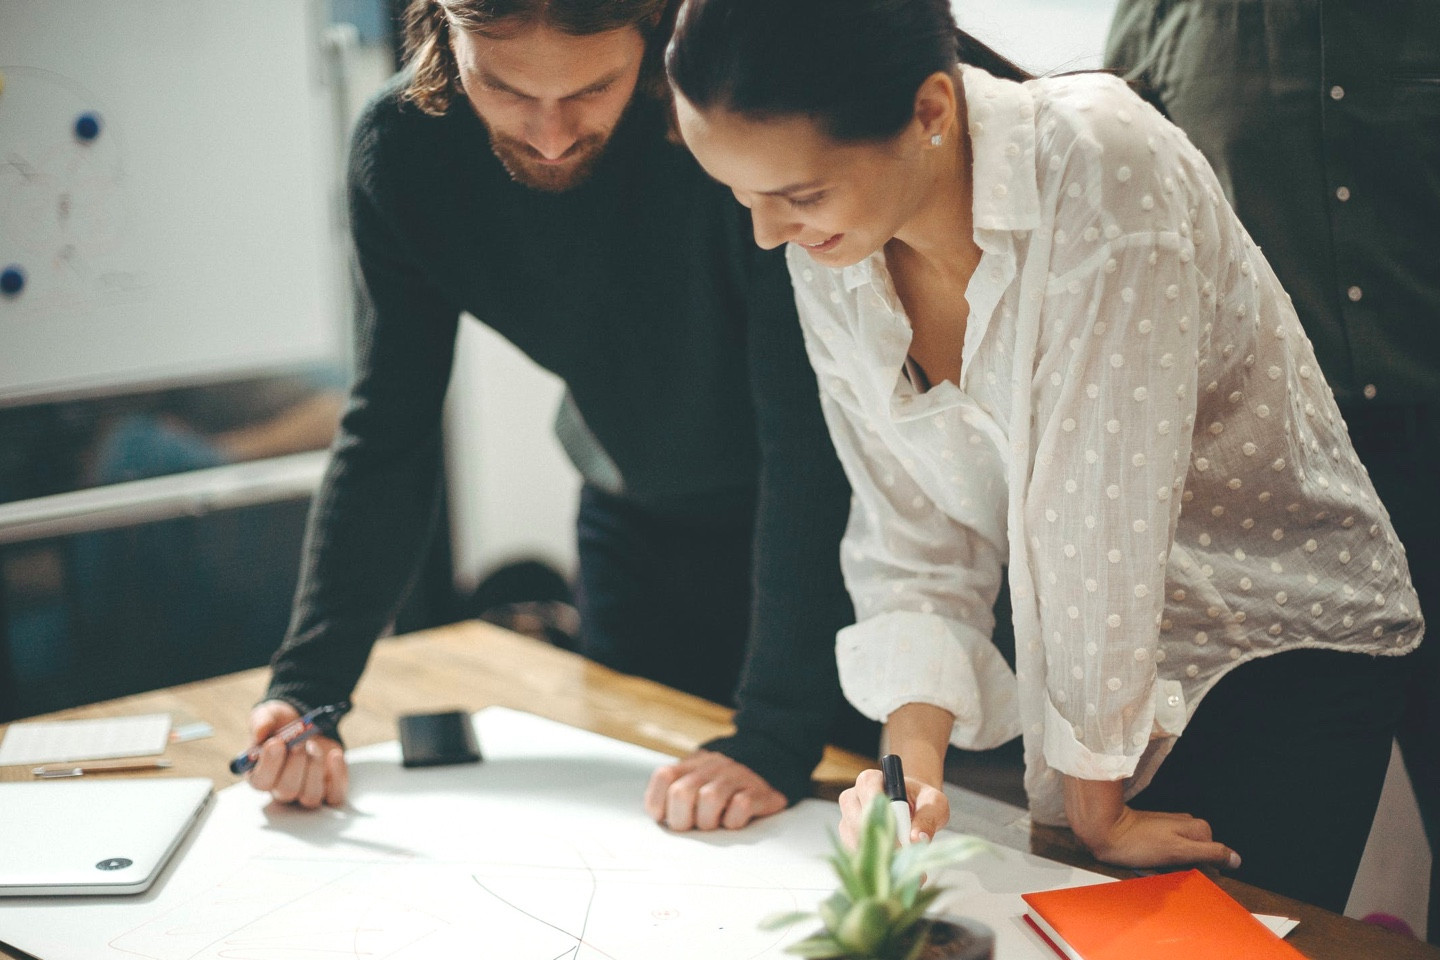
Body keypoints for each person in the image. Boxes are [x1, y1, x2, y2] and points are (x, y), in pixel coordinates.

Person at [665, 0, 1424, 911]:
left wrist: (1095, 809)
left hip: (1263, 645)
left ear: (930, 110)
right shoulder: (832, 248)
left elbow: (1098, 517)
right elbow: (913, 538)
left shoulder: (1100, 162)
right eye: (741, 195)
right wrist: (906, 780)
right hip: (1093, 689)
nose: (766, 233)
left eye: (798, 195)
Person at [240, 0, 875, 833]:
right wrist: (309, 690)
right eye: (505, 89)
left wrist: (776, 736)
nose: (549, 137)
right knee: (637, 843)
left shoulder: (730, 131)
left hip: (825, 543)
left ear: (653, 34)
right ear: (443, 33)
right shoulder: (402, 151)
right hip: (632, 531)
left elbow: (807, 440)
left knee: (819, 845)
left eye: (591, 90)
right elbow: (387, 429)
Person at [1104, 1, 1440, 937]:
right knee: (1250, 863)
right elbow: (1125, 218)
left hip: (1433, 442)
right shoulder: (1166, 18)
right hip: (1272, 496)